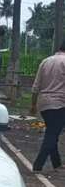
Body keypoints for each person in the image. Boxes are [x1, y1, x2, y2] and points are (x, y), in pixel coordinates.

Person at [31, 41, 65, 172]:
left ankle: (57, 163)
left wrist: (33, 104)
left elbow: (36, 86)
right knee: (52, 134)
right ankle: (38, 164)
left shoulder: (46, 61)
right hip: (60, 103)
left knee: (53, 132)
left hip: (44, 103)